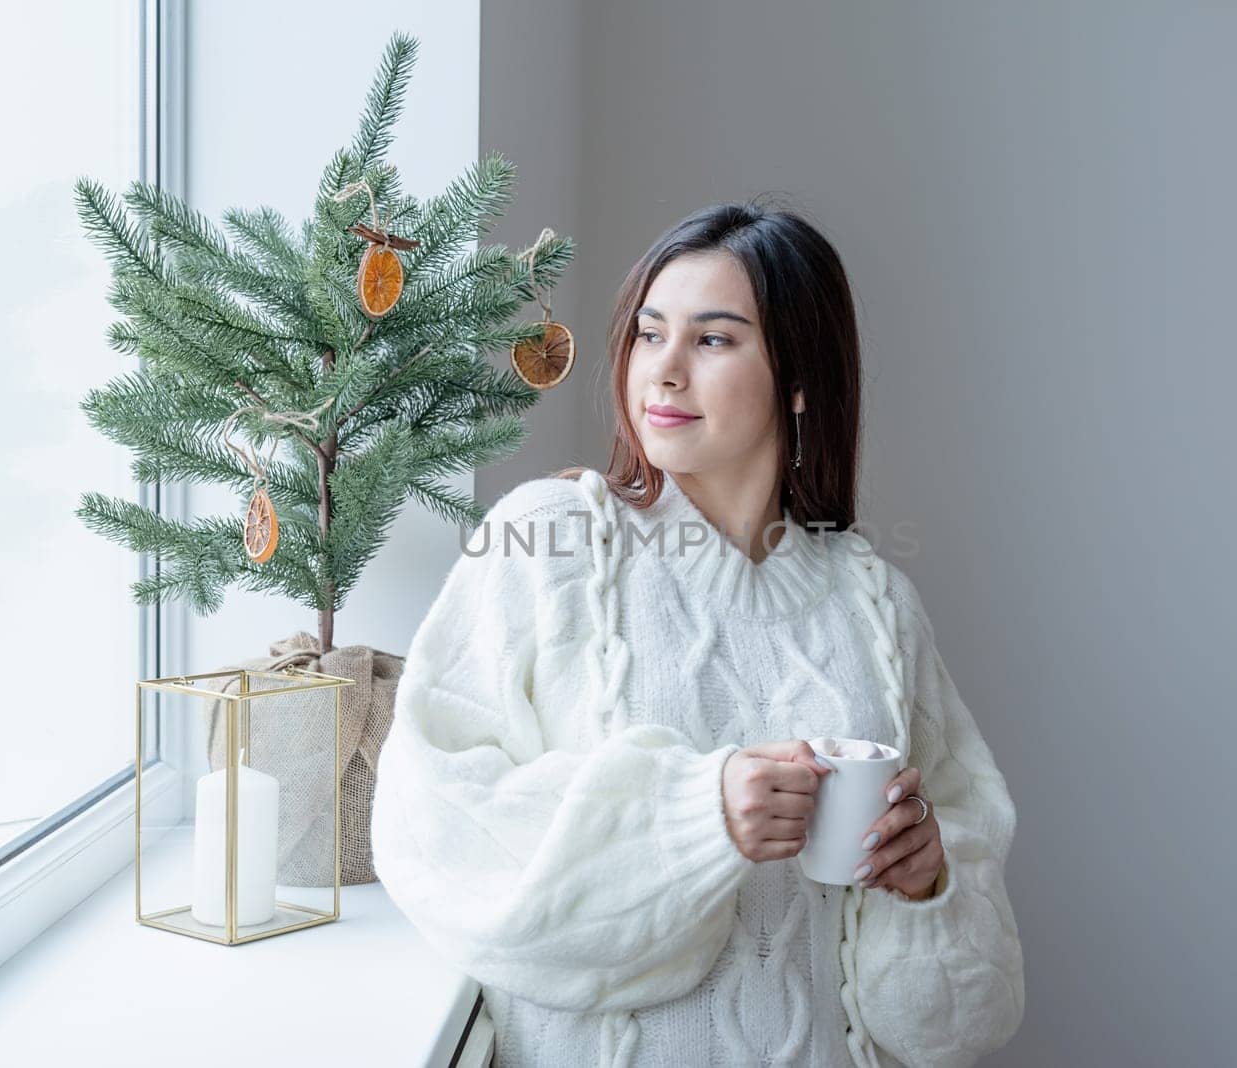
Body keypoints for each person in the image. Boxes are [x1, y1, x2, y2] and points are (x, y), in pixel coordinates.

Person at [370, 200, 1024, 1067]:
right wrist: (696, 817)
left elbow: (957, 1026)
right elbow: (434, 828)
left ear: (799, 377)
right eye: (649, 334)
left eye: (713, 340)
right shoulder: (546, 542)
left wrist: (927, 883)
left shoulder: (879, 606)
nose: (664, 371)